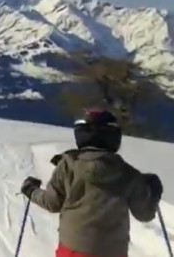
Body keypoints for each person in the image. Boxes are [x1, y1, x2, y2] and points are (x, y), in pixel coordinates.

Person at [20, 108, 164, 257]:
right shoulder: (129, 174)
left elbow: (52, 203)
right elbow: (144, 214)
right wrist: (153, 192)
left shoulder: (68, 165)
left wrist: (31, 190)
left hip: (72, 250)